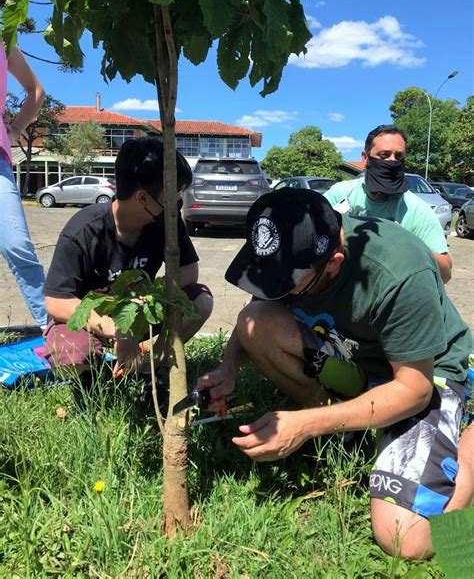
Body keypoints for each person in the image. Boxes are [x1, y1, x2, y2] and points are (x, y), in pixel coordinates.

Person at [197, 187, 473, 560]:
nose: (277, 290)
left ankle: (467, 442)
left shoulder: (400, 270)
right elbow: (258, 307)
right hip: (354, 358)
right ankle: (346, 432)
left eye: (289, 283)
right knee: (254, 321)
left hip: (420, 374)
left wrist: (305, 424)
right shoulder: (295, 251)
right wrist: (229, 367)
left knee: (405, 539)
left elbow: (414, 389)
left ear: (334, 261)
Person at [43, 137, 213, 377]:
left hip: (139, 313)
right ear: (143, 198)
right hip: (91, 320)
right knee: (72, 355)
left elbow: (187, 273)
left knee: (201, 301)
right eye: (173, 194)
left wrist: (143, 306)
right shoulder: (83, 230)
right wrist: (117, 330)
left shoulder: (167, 224)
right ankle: (96, 380)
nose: (178, 201)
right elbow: (56, 301)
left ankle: (149, 367)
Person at [324, 125, 453, 283]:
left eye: (398, 156)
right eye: (384, 155)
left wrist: (408, 245)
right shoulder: (341, 193)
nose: (392, 161)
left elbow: (446, 273)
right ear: (365, 158)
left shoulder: (416, 209)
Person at [0, 43, 47, 328]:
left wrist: (16, 129)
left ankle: (54, 330)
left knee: (17, 244)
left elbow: (36, 91)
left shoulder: (3, 41)